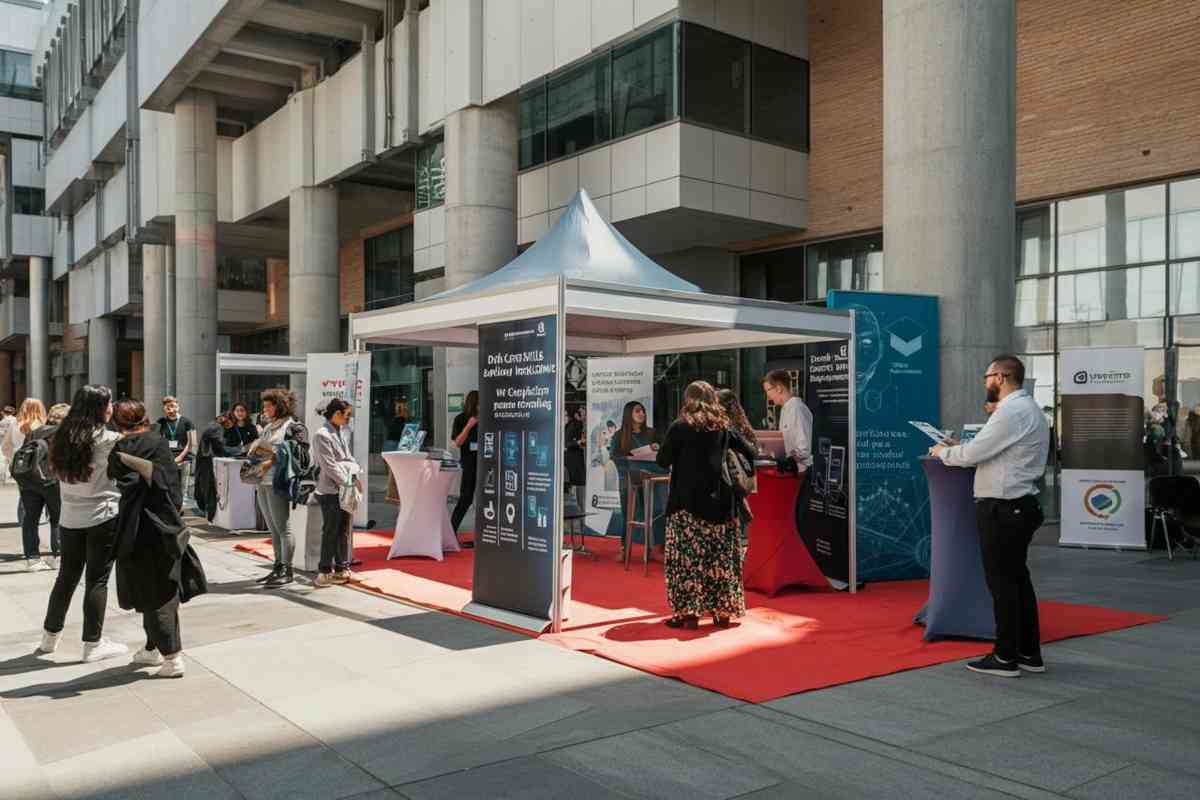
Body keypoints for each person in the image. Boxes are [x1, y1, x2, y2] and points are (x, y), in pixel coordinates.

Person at [931, 354, 1049, 678]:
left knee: (1003, 585)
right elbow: (992, 450)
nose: (984, 384)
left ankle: (1005, 656)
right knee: (1018, 582)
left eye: (986, 378)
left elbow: (973, 454)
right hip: (1018, 505)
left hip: (1003, 506)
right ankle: (1028, 653)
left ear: (1000, 377)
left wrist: (944, 452)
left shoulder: (1011, 411)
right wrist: (962, 446)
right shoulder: (1028, 409)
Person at [108, 399, 201, 678]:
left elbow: (115, 480)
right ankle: (153, 648)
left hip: (134, 528)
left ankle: (172, 657)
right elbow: (172, 486)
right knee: (162, 587)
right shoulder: (158, 442)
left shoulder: (118, 449)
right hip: (163, 525)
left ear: (119, 423)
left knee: (150, 590)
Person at [36, 385, 127, 663]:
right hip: (102, 515)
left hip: (70, 517)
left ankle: (49, 638)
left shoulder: (62, 436)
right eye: (109, 403)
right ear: (101, 407)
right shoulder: (110, 438)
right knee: (97, 580)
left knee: (66, 577)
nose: (112, 407)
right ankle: (92, 643)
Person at [656, 381, 756, 629]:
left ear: (687, 400)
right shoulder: (723, 427)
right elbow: (750, 449)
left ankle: (688, 614)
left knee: (686, 561)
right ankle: (722, 613)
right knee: (721, 560)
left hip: (686, 504)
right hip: (721, 504)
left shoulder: (679, 427)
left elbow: (662, 460)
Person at [246, 389, 298, 586]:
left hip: (277, 480)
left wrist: (273, 458)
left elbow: (293, 451)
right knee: (273, 528)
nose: (265, 409)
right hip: (262, 479)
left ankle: (287, 569)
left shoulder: (291, 425)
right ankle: (278, 567)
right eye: (265, 405)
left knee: (283, 527)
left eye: (269, 405)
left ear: (280, 405)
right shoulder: (269, 426)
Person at [312, 399, 362, 587]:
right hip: (331, 489)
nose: (349, 418)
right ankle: (324, 571)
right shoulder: (322, 435)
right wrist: (348, 482)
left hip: (344, 486)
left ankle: (341, 568)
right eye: (347, 414)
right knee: (331, 530)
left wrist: (354, 475)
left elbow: (347, 457)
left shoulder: (342, 431)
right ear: (337, 413)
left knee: (343, 530)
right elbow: (329, 465)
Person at [762, 370, 813, 541]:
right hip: (792, 473)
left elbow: (803, 447)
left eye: (768, 390)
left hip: (800, 474)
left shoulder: (797, 409)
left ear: (779, 388)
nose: (768, 397)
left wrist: (790, 460)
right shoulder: (786, 409)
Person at [14, 399, 60, 571]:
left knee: (30, 519)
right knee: (57, 517)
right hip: (50, 479)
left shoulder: (29, 430)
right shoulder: (52, 430)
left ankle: (32, 559)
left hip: (27, 477)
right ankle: (59, 556)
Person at [609, 401, 661, 554]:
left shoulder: (652, 433)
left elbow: (663, 454)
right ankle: (625, 548)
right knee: (628, 513)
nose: (642, 414)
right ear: (629, 414)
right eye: (638, 411)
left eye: (643, 411)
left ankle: (650, 547)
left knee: (650, 512)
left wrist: (657, 448)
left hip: (650, 477)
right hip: (628, 478)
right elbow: (614, 456)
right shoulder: (620, 435)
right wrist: (634, 455)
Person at [718, 388, 758, 550]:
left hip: (731, 477)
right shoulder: (742, 424)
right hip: (744, 477)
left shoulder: (725, 427)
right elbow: (753, 450)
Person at [450, 390, 479, 547]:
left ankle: (483, 536)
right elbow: (458, 442)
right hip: (469, 464)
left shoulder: (488, 419)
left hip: (488, 464)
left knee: (485, 501)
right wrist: (469, 426)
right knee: (465, 499)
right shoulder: (461, 419)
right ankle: (451, 533)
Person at [195, 413, 235, 521]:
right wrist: (235, 451)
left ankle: (208, 513)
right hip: (208, 461)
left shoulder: (211, 425)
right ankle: (211, 515)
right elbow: (220, 445)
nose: (228, 426)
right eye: (229, 423)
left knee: (205, 487)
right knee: (210, 488)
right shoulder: (217, 427)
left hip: (204, 460)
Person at [156, 396, 196, 502]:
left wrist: (180, 457)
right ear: (164, 408)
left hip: (184, 458)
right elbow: (157, 441)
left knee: (183, 486)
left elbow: (192, 443)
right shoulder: (160, 422)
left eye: (173, 406)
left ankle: (181, 506)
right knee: (169, 485)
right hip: (167, 458)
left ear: (178, 406)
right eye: (167, 407)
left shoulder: (187, 422)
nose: (171, 409)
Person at [564, 405, 586, 488]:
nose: (567, 417)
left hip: (576, 457)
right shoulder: (572, 425)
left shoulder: (575, 425)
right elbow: (566, 443)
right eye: (580, 413)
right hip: (572, 459)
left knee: (578, 483)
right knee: (577, 483)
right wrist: (578, 442)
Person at [0, 404, 18, 482]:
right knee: (12, 458)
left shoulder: (3, 421)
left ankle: (5, 475)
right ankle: (12, 474)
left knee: (4, 459)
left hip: (4, 441)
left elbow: (1, 433)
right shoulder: (16, 420)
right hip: (14, 441)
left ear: (3, 412)